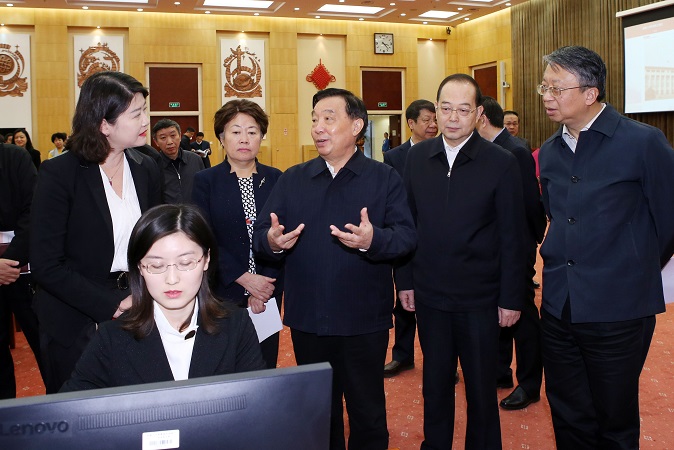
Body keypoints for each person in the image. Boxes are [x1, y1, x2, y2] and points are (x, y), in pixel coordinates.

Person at [253, 88, 416, 450]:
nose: (318, 127)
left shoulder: (384, 178)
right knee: (318, 413)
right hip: (309, 319)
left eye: (329, 118)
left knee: (367, 412)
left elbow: (406, 238)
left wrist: (372, 240)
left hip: (364, 319)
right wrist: (272, 241)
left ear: (357, 126)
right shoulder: (293, 178)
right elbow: (262, 234)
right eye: (314, 119)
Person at [538, 45, 674, 449]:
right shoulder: (550, 151)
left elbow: (669, 220)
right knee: (568, 412)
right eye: (544, 87)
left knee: (614, 418)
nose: (547, 96)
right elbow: (555, 216)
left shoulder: (643, 142)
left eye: (556, 88)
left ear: (590, 93)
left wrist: (631, 268)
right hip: (559, 305)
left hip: (619, 308)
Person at [397, 74, 526, 449]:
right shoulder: (417, 157)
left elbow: (513, 237)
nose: (453, 118)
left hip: (481, 299)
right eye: (446, 108)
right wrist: (404, 281)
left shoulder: (501, 162)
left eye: (463, 109)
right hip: (430, 295)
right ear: (436, 111)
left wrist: (511, 297)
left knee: (481, 390)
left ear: (479, 113)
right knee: (435, 385)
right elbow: (406, 224)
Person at [30, 71, 162, 394]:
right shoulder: (60, 174)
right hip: (75, 317)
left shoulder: (147, 166)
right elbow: (46, 265)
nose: (146, 120)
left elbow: (156, 240)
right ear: (104, 124)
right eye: (136, 114)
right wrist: (112, 304)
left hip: (138, 306)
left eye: (145, 110)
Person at [60, 204, 265, 392]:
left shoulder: (236, 325)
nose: (172, 279)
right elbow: (68, 410)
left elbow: (259, 403)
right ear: (140, 267)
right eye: (156, 266)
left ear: (206, 260)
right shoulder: (111, 338)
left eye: (186, 263)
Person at [192, 100, 283, 369]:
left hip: (268, 291)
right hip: (222, 290)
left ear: (262, 137)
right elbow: (202, 238)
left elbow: (282, 235)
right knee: (223, 368)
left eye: (252, 132)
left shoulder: (277, 179)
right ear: (221, 138)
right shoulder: (205, 181)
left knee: (263, 366)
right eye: (235, 131)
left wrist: (263, 288)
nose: (244, 139)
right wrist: (243, 278)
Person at [477, 96, 547, 410]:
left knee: (523, 318)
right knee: (498, 312)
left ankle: (529, 384)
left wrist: (529, 245)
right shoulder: (486, 150)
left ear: (480, 118)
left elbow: (531, 205)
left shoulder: (515, 150)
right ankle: (501, 372)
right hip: (492, 250)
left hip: (515, 249)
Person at [382, 99, 437, 378]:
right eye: (427, 120)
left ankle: (441, 360)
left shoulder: (444, 152)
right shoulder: (394, 157)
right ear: (411, 123)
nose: (433, 125)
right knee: (403, 300)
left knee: (435, 304)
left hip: (435, 239)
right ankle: (402, 356)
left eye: (435, 119)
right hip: (404, 238)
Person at [0, 142, 44, 399]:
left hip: (22, 268)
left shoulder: (15, 157)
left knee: (45, 344)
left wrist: (11, 261)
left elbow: (34, 211)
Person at [152, 119, 204, 204]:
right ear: (156, 142)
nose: (169, 142)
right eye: (163, 138)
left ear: (180, 136)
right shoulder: (153, 165)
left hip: (194, 211)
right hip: (168, 212)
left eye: (173, 135)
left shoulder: (195, 159)